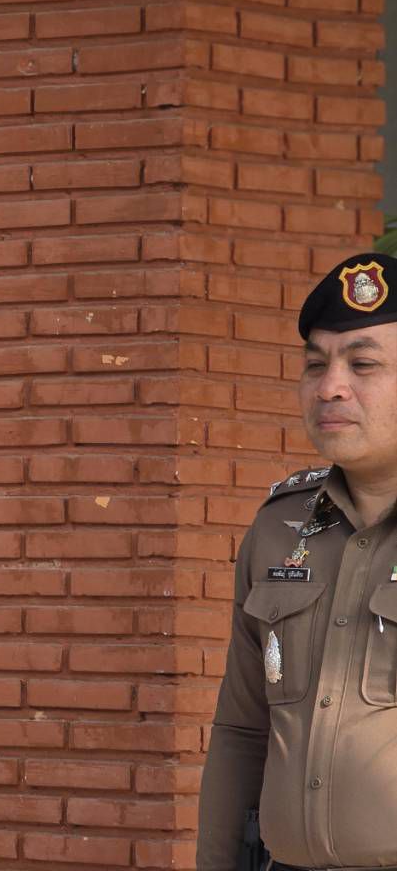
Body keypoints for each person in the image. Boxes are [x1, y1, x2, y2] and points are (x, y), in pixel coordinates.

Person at [200, 251, 397, 871]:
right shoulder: (278, 529)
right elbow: (243, 731)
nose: (330, 386)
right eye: (315, 364)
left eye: (362, 364)